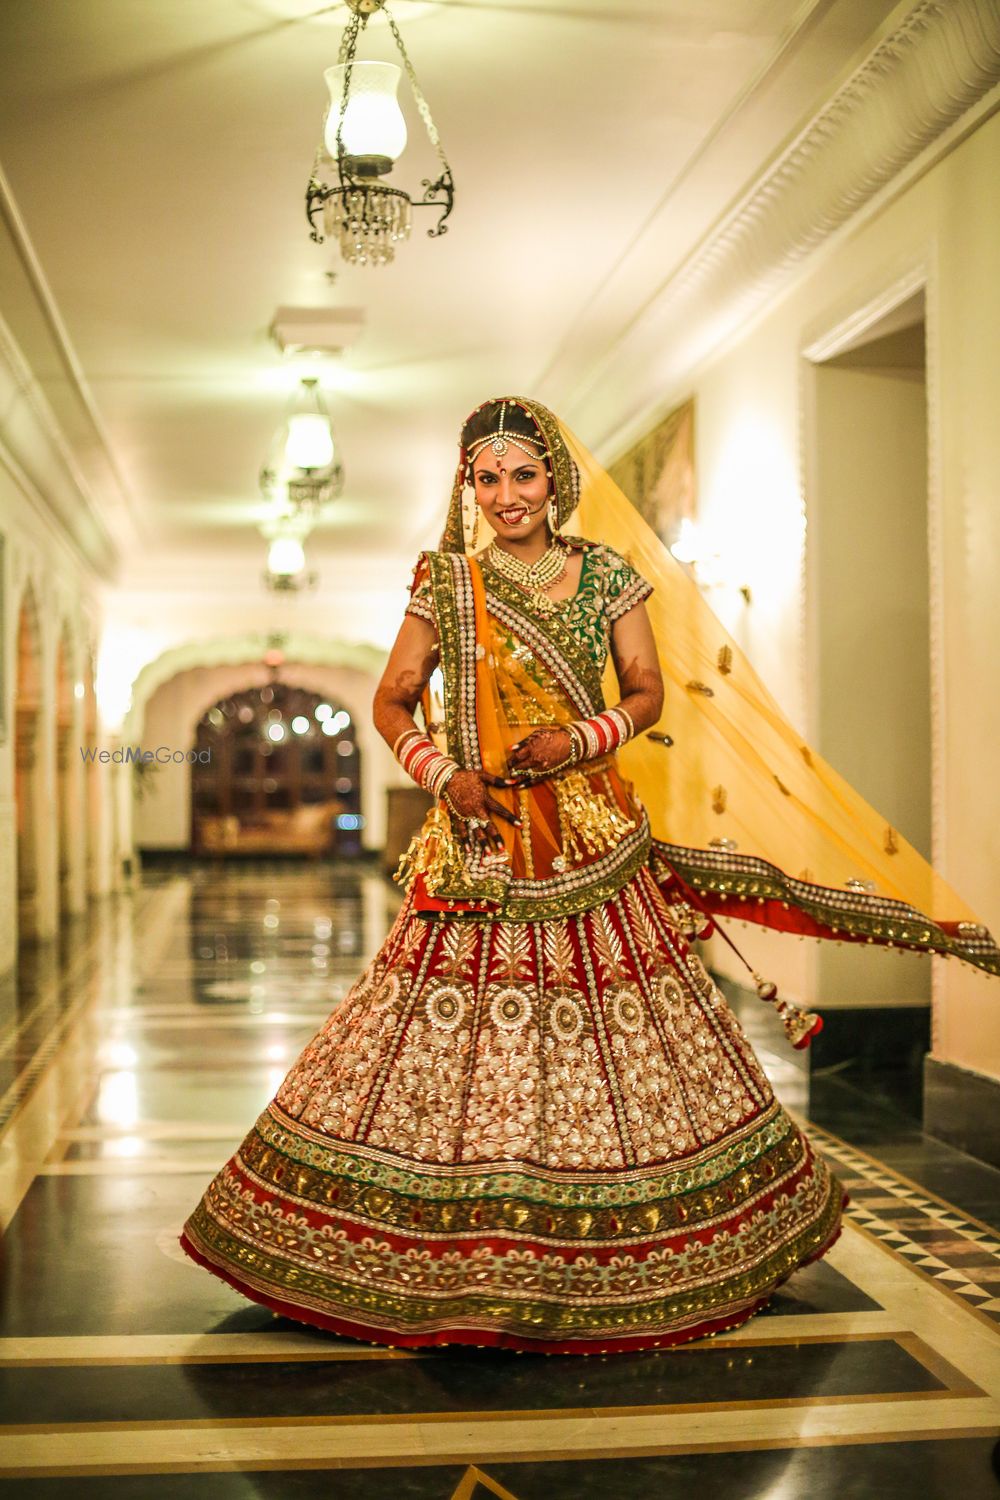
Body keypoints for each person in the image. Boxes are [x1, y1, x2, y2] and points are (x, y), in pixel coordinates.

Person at [181, 396, 998, 1353]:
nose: (505, 495)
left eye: (522, 475)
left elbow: (645, 693)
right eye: (485, 478)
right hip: (483, 850)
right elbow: (393, 699)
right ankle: (444, 1247)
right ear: (468, 486)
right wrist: (445, 775)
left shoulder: (609, 575)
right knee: (445, 1036)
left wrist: (579, 733)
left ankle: (645, 1243)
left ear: (555, 481)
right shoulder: (447, 584)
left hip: (590, 838)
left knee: (628, 1031)